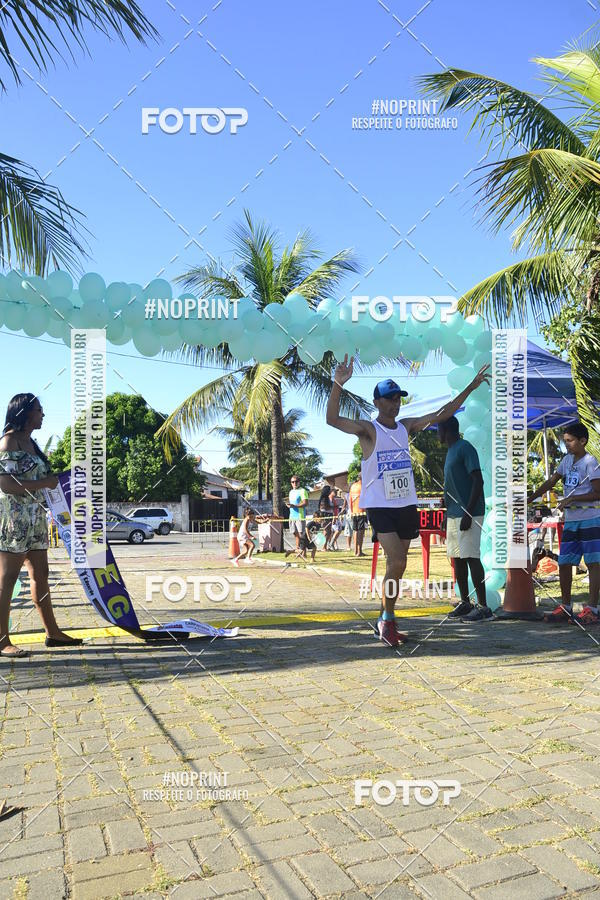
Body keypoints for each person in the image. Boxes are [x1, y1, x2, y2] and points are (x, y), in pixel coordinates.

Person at [327, 357, 491, 647]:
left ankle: (383, 619)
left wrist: (472, 386)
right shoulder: (369, 430)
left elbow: (444, 413)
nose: (395, 403)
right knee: (399, 560)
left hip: (405, 505)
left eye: (398, 398)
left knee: (397, 567)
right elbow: (332, 420)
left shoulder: (405, 427)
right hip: (380, 507)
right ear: (377, 402)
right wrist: (338, 383)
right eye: (389, 399)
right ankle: (388, 620)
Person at [0, 394, 84, 657]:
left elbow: (42, 479)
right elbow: (5, 484)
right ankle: (2, 641)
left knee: (41, 575)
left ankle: (53, 633)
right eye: (39, 410)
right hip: (14, 520)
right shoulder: (8, 441)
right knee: (7, 580)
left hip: (35, 518)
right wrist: (43, 484)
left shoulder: (31, 443)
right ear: (25, 412)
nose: (43, 415)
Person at [528, 422, 600, 625]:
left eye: (569, 441)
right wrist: (531, 497)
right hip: (571, 521)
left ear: (582, 441)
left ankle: (592, 609)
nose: (566, 445)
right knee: (565, 562)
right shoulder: (566, 461)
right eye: (564, 442)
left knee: (594, 563)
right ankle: (566, 607)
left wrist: (574, 499)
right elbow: (551, 481)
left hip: (590, 519)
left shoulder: (590, 462)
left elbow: (598, 493)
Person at [438, 417, 489, 620]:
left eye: (438, 430)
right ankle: (465, 602)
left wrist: (468, 512)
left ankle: (484, 607)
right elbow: (451, 486)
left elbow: (478, 480)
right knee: (457, 559)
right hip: (453, 514)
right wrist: (446, 513)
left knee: (471, 557)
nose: (436, 434)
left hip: (470, 512)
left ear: (445, 430)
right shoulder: (450, 452)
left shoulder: (464, 448)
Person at [286, 475, 309, 552]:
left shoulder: (302, 491)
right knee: (295, 534)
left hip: (300, 516)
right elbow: (292, 504)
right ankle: (298, 549)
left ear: (299, 482)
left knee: (302, 535)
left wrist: (294, 506)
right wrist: (290, 505)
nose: (294, 483)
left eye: (296, 481)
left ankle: (304, 552)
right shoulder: (291, 492)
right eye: (293, 482)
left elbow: (305, 503)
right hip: (292, 516)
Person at [349, 477, 367, 556]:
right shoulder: (363, 486)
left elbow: (350, 499)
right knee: (361, 531)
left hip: (354, 511)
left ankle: (355, 550)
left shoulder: (353, 486)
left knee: (355, 531)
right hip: (361, 511)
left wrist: (351, 511)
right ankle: (359, 551)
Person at [318, 484, 335, 550]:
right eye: (329, 490)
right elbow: (324, 507)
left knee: (329, 531)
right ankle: (323, 547)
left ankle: (325, 546)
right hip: (326, 515)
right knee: (326, 531)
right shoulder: (324, 498)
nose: (330, 491)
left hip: (329, 514)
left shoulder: (327, 498)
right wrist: (333, 507)